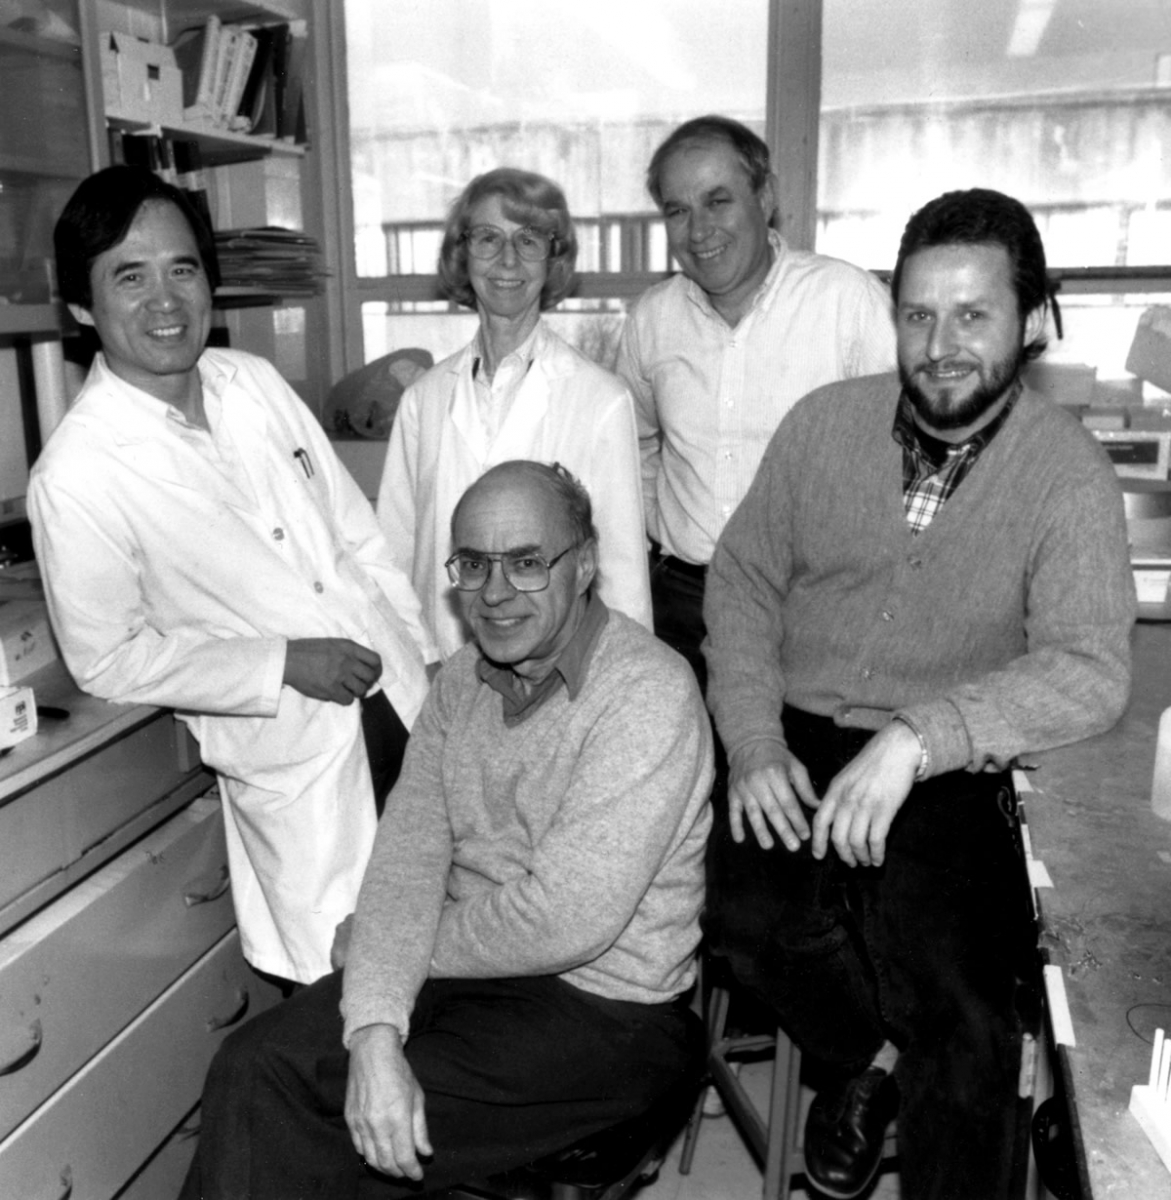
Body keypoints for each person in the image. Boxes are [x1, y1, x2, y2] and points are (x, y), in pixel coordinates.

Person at [701, 188, 1135, 1200]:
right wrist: (754, 738)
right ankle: (877, 1067)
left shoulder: (1067, 477)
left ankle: (922, 1075)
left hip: (957, 760)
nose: (938, 345)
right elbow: (743, 581)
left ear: (1032, 322)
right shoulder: (821, 426)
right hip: (798, 734)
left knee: (963, 1014)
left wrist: (919, 736)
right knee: (747, 923)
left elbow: (1088, 668)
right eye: (916, 314)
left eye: (972, 315)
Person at [180, 461, 713, 1199]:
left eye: (526, 563)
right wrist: (373, 1033)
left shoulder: (647, 692)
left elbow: (565, 919)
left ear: (585, 564)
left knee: (313, 1131)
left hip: (608, 1009)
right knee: (254, 1061)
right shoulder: (461, 683)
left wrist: (384, 946)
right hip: (470, 971)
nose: (493, 594)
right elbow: (406, 863)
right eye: (473, 565)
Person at [28, 166, 435, 987]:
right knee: (349, 1000)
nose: (165, 299)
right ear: (80, 305)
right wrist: (280, 661)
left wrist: (422, 658)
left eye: (182, 268)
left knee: (451, 959)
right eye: (128, 276)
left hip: (401, 703)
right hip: (301, 743)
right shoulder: (76, 474)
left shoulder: (250, 381)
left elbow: (356, 536)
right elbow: (109, 660)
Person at [617, 115, 896, 685]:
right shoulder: (652, 320)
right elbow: (632, 446)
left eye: (718, 201)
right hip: (682, 611)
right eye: (677, 210)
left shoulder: (847, 302)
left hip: (808, 607)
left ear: (765, 198)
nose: (699, 231)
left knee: (794, 770)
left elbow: (907, 451)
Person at [377, 168, 653, 660]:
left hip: (557, 674)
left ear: (554, 257)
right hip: (442, 664)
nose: (508, 259)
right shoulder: (424, 399)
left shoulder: (600, 399)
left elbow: (623, 580)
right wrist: (416, 663)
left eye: (529, 240)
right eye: (488, 238)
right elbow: (394, 560)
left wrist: (624, 688)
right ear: (462, 254)